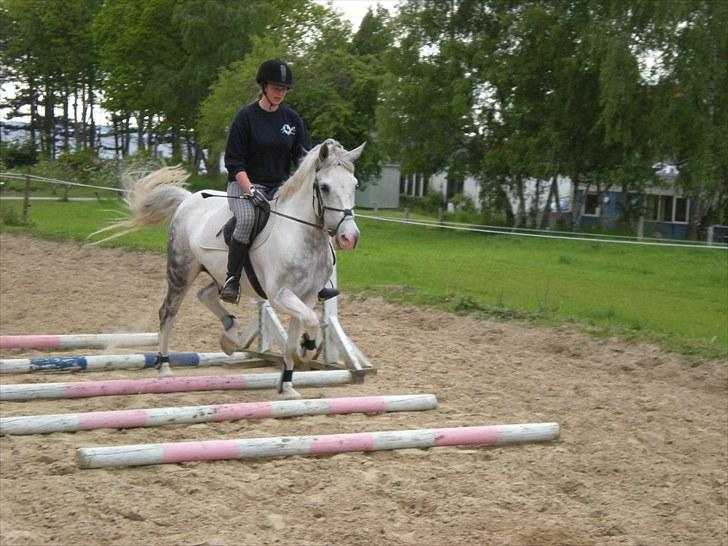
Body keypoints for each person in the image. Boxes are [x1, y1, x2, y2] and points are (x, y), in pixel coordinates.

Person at [220, 59, 311, 303]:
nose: (280, 93)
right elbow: (234, 161)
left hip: (279, 188)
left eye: (284, 89)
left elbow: (303, 160)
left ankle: (313, 280)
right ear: (263, 86)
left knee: (305, 220)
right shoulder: (246, 118)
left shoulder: (292, 120)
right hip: (243, 185)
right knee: (249, 218)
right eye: (275, 88)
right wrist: (250, 190)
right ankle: (231, 279)